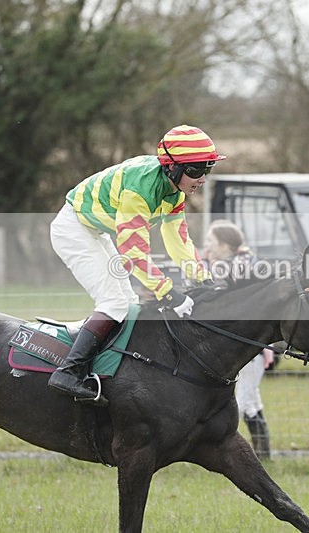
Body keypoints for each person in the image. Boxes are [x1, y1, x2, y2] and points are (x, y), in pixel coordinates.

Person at [48, 125, 224, 403]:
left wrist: (203, 278)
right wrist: (167, 291)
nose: (201, 178)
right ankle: (68, 371)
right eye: (195, 170)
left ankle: (109, 369)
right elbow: (133, 252)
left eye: (207, 169)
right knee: (114, 303)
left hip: (95, 230)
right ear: (172, 169)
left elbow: (177, 239)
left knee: (128, 301)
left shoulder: (174, 192)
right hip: (73, 229)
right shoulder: (139, 189)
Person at [202, 219, 274, 459]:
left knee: (240, 404)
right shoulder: (233, 263)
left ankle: (226, 454)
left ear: (224, 245)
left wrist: (208, 266)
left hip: (249, 348)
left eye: (210, 242)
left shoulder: (241, 267)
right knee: (251, 401)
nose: (207, 246)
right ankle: (264, 452)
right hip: (244, 346)